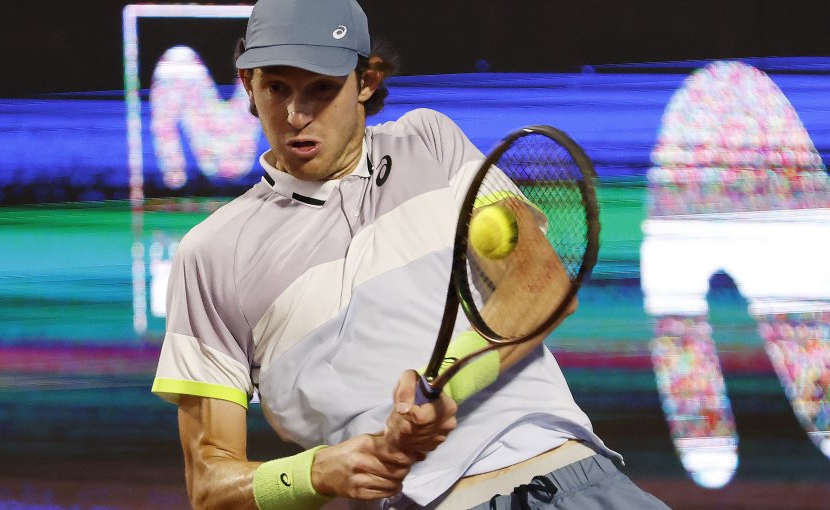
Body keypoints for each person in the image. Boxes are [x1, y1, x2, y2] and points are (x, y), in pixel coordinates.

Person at [151, 0, 672, 508]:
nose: (295, 115)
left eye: (321, 89)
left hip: (567, 477)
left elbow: (541, 283)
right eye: (275, 88)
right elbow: (210, 483)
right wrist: (316, 471)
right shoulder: (211, 254)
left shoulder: (430, 142)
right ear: (248, 85)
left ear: (368, 82)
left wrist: (446, 381)